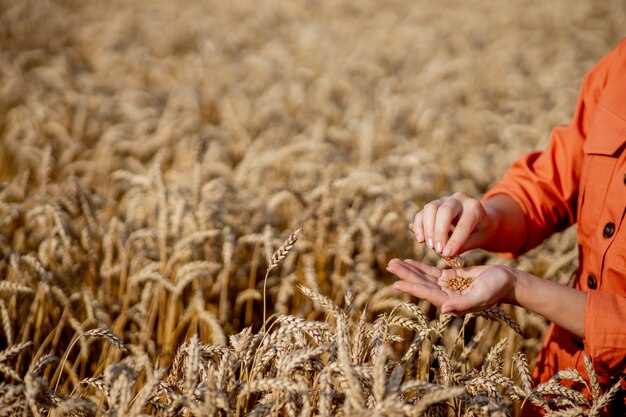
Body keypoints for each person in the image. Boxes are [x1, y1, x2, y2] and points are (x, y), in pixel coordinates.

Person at [386, 38, 626, 415]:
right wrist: (487, 218)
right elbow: (551, 181)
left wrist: (518, 286)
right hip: (562, 383)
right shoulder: (619, 66)